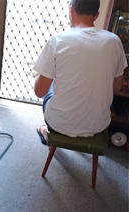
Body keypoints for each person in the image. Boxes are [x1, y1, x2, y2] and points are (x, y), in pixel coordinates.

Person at [33, 0, 128, 144]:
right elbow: (116, 87)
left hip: (59, 124)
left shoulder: (58, 40)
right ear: (97, 15)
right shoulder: (115, 41)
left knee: (51, 86)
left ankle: (46, 130)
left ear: (71, 11)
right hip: (98, 126)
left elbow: (39, 91)